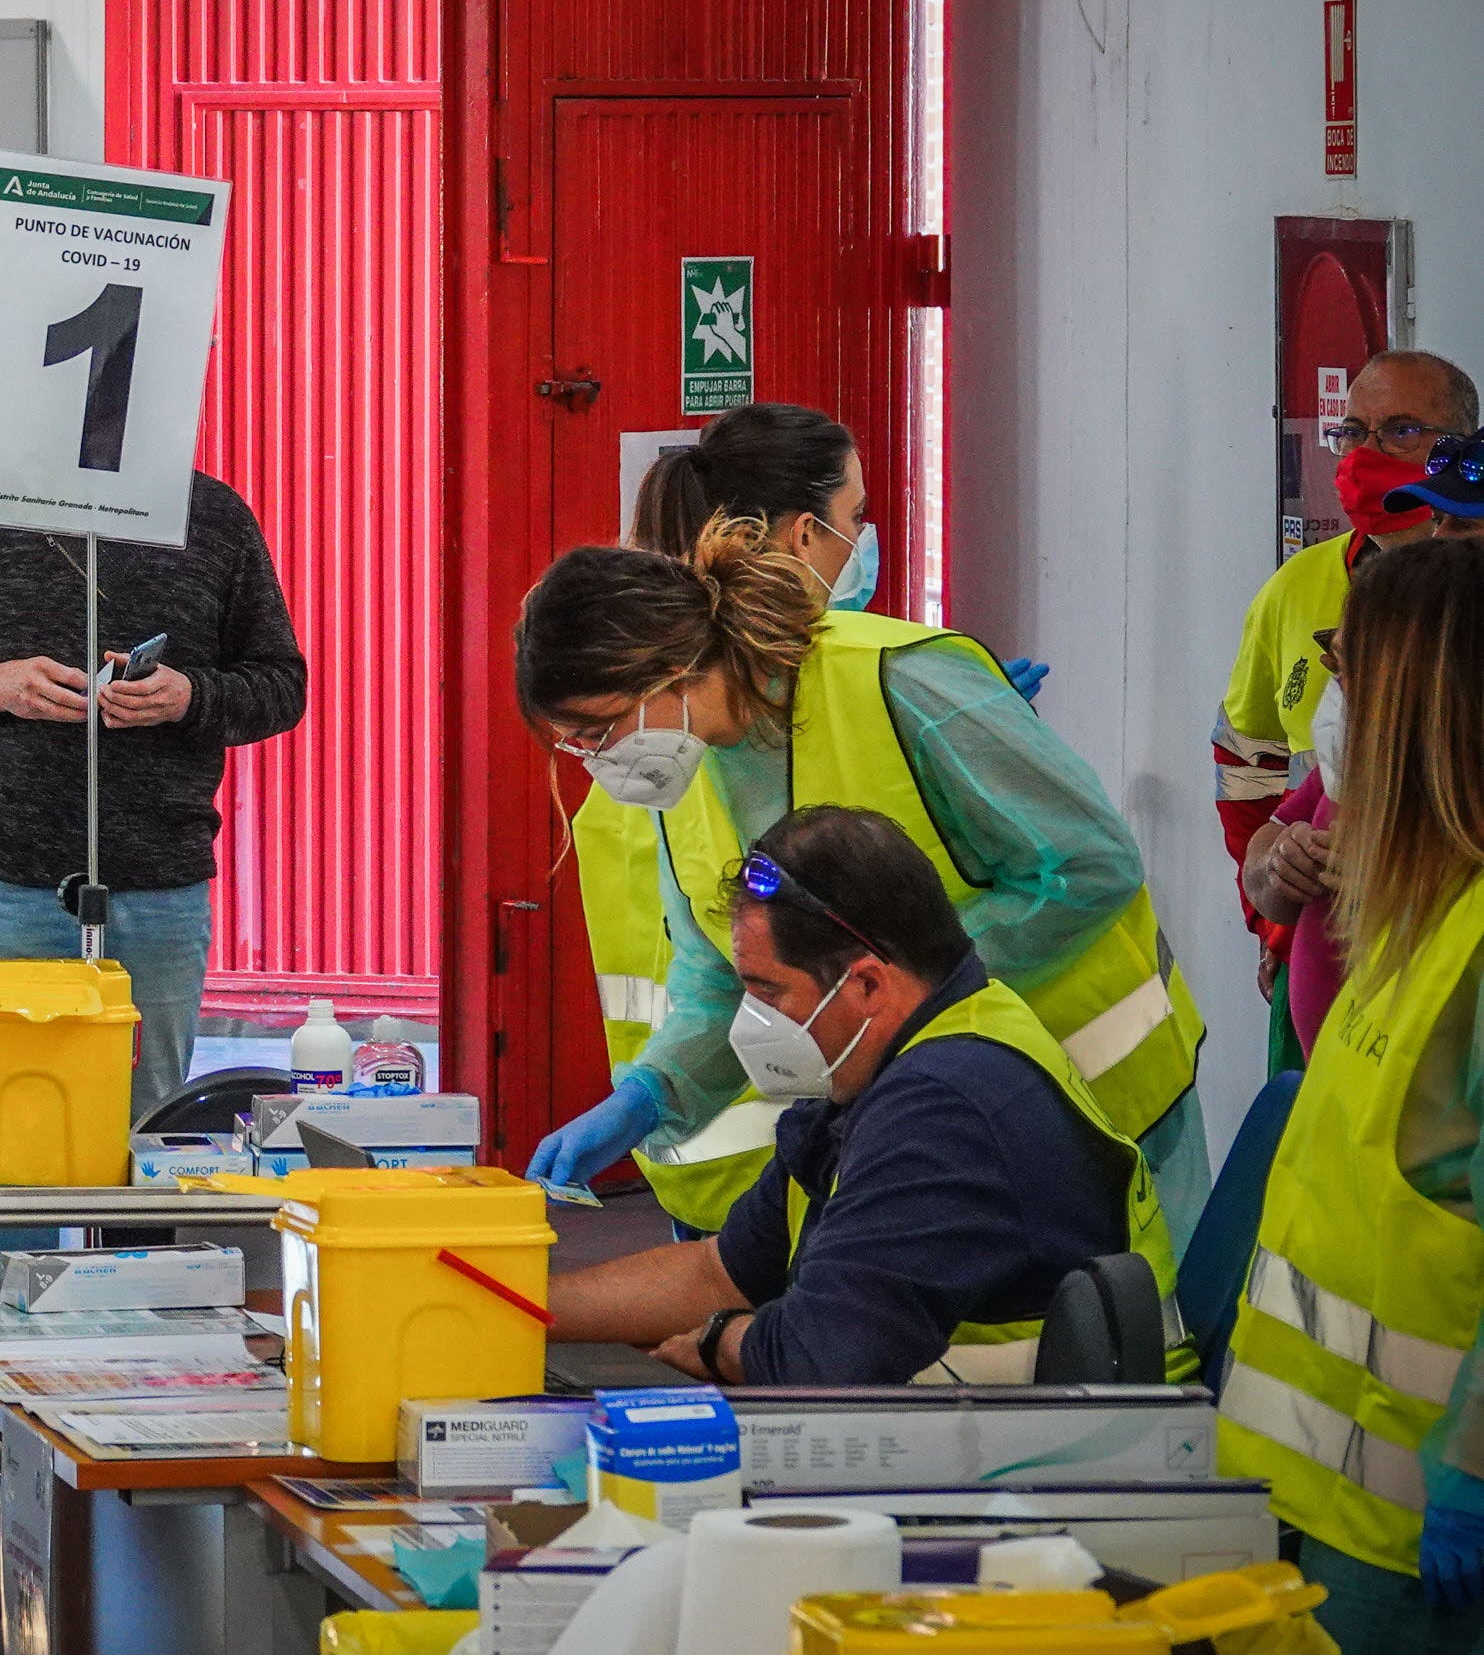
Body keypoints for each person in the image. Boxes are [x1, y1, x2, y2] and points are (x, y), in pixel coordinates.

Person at [518, 521, 1210, 1233]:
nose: (599, 759)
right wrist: (647, 1097)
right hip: (949, 1114)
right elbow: (719, 982)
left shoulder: (899, 681)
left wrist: (901, 979)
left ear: (665, 667)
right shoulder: (684, 770)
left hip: (1098, 1082)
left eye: (598, 731)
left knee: (1134, 1327)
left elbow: (1092, 863)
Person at [549, 805, 1190, 1385]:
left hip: (1054, 1457)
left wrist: (723, 1342)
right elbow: (718, 1272)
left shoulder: (944, 1107)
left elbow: (823, 1355)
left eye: (768, 991)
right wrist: (522, 1306)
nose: (748, 1018)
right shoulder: (876, 1068)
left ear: (866, 986)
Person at [1216, 536, 1484, 1655]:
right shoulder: (1404, 913)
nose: (1329, 708)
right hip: (1313, 1507)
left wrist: (1471, 1469)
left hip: (1420, 1542)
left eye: (1346, 669)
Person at [0, 468, 309, 1117]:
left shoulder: (216, 516)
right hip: (9, 875)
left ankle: (130, 1227)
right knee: (10, 1133)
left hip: (160, 875)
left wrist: (190, 696)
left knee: (146, 1135)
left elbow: (282, 686)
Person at [1218, 349, 1479, 1035]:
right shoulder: (1292, 588)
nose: (1366, 451)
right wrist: (1274, 906)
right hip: (1330, 996)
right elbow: (1252, 766)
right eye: (1352, 431)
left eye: (1398, 430)